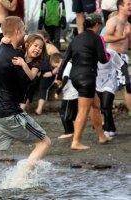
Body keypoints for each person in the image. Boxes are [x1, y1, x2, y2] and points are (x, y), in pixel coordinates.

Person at [0, 16, 51, 185]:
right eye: (23, 31)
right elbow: (25, 84)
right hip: (11, 113)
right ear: (17, 31)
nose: (24, 35)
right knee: (45, 142)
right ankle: (19, 179)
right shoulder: (16, 57)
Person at [56, 13, 112, 150]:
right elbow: (103, 58)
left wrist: (59, 77)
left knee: (95, 104)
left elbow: (64, 59)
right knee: (83, 109)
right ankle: (76, 141)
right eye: (100, 25)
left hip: (75, 76)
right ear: (97, 25)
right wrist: (110, 55)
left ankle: (101, 136)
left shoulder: (76, 38)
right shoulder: (97, 38)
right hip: (87, 77)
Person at [103, 0, 131, 118]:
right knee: (109, 87)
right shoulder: (113, 21)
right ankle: (104, 116)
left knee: (127, 86)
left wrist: (128, 37)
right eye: (128, 4)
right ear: (120, 6)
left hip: (123, 57)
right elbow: (106, 38)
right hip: (112, 57)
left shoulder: (128, 25)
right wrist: (123, 36)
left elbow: (129, 44)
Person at [96, 49, 125, 137]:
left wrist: (126, 80)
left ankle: (107, 129)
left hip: (110, 83)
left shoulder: (111, 53)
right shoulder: (92, 53)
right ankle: (112, 128)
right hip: (97, 84)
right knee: (104, 108)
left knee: (106, 105)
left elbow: (122, 65)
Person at [52, 53, 78, 139]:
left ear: (60, 60)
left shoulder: (67, 65)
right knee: (72, 113)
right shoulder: (68, 65)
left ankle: (69, 131)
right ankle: (74, 129)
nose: (57, 68)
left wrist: (58, 91)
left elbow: (66, 78)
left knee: (64, 113)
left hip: (70, 94)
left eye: (56, 66)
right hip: (72, 93)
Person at [34, 30, 60, 115]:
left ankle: (39, 109)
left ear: (45, 39)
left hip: (49, 72)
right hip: (38, 72)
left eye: (40, 37)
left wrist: (52, 73)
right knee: (30, 83)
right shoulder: (36, 47)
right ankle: (23, 107)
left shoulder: (51, 48)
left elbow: (60, 62)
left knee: (43, 85)